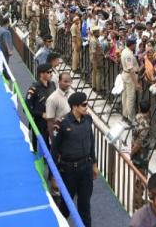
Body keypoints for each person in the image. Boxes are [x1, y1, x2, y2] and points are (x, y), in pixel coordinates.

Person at [52, 92, 97, 227]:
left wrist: (94, 164)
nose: (86, 107)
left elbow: (91, 141)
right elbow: (54, 149)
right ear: (74, 107)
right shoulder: (61, 123)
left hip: (86, 169)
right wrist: (53, 176)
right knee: (66, 205)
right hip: (68, 170)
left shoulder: (88, 119)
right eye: (84, 104)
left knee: (85, 206)